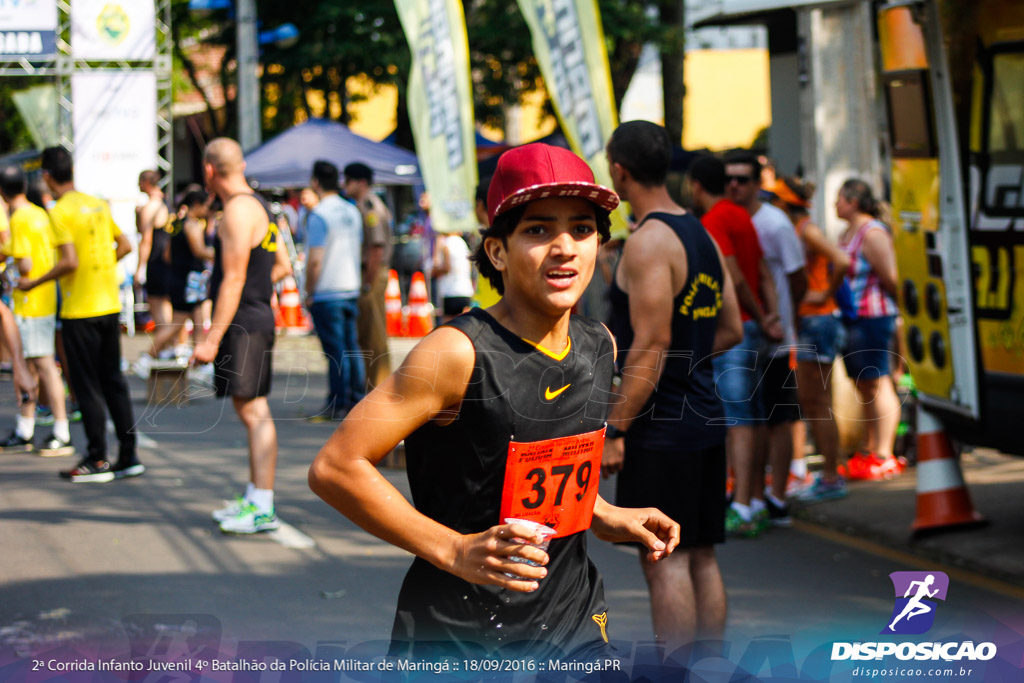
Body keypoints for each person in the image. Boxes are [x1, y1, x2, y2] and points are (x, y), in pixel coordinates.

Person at [310, 143, 680, 661]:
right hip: (459, 633)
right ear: (497, 251)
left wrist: (601, 512)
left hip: (574, 623)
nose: (565, 247)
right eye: (538, 230)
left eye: (581, 228)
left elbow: (541, 467)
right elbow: (336, 466)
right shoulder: (455, 353)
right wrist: (454, 549)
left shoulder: (601, 345)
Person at [602, 122, 742, 648]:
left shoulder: (647, 243)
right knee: (700, 554)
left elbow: (652, 342)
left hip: (661, 426)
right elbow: (731, 328)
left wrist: (616, 427)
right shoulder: (700, 233)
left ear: (619, 171)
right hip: (705, 417)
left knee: (664, 559)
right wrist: (686, 362)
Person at [19, 146, 140, 482]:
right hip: (108, 305)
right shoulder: (97, 204)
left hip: (79, 310)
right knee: (113, 382)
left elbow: (70, 261)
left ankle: (97, 458)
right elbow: (125, 246)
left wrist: (35, 282)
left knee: (85, 386)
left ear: (46, 176)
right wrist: (100, 271)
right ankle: (128, 455)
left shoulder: (59, 212)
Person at [193, 138, 292, 533]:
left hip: (245, 323)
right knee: (249, 408)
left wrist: (211, 338)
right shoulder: (261, 207)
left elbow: (232, 279)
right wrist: (253, 291)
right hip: (254, 317)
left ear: (209, 171)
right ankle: (255, 496)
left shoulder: (235, 211)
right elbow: (282, 265)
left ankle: (263, 504)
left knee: (253, 411)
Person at [688, 155, 784, 538]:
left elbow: (736, 277)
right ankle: (754, 499)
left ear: (696, 185)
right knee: (754, 416)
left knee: (738, 419)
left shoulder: (714, 221)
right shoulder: (741, 215)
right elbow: (759, 272)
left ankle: (742, 504)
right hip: (753, 330)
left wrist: (762, 317)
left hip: (737, 330)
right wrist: (771, 316)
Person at [725, 151, 807, 531]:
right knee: (753, 418)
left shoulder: (775, 224)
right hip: (747, 336)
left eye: (743, 179)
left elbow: (796, 276)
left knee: (780, 417)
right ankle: (752, 494)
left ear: (759, 183)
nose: (735, 186)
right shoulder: (732, 219)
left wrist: (788, 321)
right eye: (730, 179)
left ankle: (777, 497)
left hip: (777, 337)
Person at [768, 177, 851, 501]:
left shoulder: (806, 229)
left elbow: (842, 261)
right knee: (815, 404)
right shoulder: (796, 229)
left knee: (816, 404)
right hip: (813, 322)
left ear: (786, 204)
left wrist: (822, 295)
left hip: (816, 322)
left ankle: (831, 476)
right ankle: (831, 473)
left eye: (775, 200)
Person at [0, 165, 74, 456]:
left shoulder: (19, 218)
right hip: (44, 298)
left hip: (31, 301)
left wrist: (11, 273)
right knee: (31, 365)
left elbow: (26, 264)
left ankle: (60, 430)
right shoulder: (39, 213)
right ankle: (25, 427)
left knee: (43, 364)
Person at [836, 179, 902, 480]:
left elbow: (891, 277)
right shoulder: (847, 233)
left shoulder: (872, 233)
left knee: (879, 382)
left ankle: (884, 453)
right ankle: (870, 449)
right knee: (865, 386)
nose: (835, 204)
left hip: (874, 316)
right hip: (854, 318)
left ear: (852, 201)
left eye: (839, 199)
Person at [305, 160, 365, 421]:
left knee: (336, 352)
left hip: (327, 290)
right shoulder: (351, 211)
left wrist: (308, 290)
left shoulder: (319, 214)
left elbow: (315, 259)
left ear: (315, 182)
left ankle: (337, 403)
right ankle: (356, 401)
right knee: (352, 348)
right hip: (350, 287)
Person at [134, 188, 215, 376]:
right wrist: (219, 253)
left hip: (179, 277)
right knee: (180, 322)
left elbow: (167, 254)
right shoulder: (191, 225)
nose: (208, 211)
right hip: (191, 278)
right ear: (197, 205)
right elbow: (199, 251)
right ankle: (148, 356)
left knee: (195, 319)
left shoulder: (177, 224)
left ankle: (199, 362)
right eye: (206, 206)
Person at [343, 162, 392, 390]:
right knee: (367, 334)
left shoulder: (370, 206)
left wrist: (367, 283)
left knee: (373, 335)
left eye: (348, 180)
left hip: (372, 273)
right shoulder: (364, 204)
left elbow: (376, 249)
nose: (345, 185)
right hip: (370, 273)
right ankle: (373, 385)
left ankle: (379, 387)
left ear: (361, 182)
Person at [136, 170, 172, 336]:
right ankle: (172, 344)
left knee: (156, 303)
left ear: (145, 183)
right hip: (165, 259)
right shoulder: (164, 201)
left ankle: (163, 343)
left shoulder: (151, 207)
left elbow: (146, 240)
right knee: (165, 303)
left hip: (156, 259)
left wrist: (140, 269)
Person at [432, 227, 475, 323]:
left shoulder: (446, 244)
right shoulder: (463, 244)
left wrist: (435, 271)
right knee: (464, 324)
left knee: (448, 325)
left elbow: (447, 267)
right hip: (465, 291)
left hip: (450, 291)